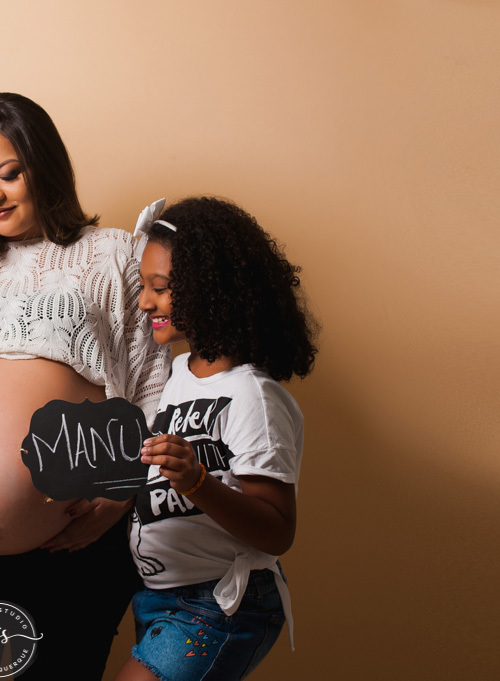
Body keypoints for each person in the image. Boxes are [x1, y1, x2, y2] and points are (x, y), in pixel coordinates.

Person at [0, 93, 169, 680]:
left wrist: (119, 493)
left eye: (8, 174)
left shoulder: (113, 254)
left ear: (43, 166)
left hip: (69, 543)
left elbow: (151, 383)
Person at [117, 196, 319, 681]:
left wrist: (198, 483)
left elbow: (277, 530)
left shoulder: (253, 397)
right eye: (144, 287)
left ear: (210, 290)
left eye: (159, 288)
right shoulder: (178, 374)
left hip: (220, 605)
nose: (145, 301)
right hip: (159, 600)